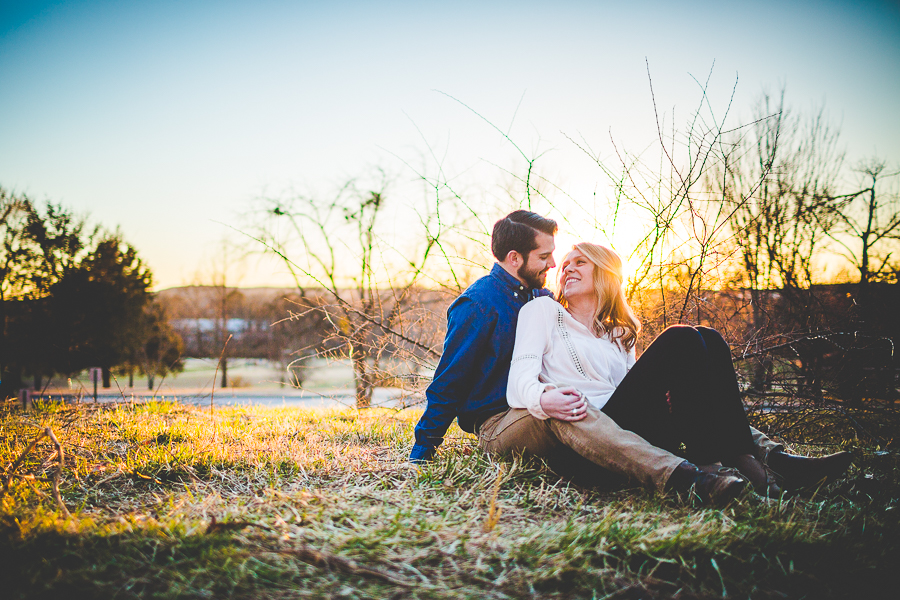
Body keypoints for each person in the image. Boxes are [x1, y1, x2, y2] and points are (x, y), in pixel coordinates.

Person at [412, 210, 752, 503]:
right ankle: (680, 477)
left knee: (693, 346)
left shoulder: (542, 297)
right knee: (563, 404)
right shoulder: (479, 303)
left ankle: (754, 460)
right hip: (499, 423)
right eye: (545, 256)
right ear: (515, 258)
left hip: (553, 412)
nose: (554, 264)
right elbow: (449, 382)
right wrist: (421, 453)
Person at [502, 242, 852, 496]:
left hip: (634, 426)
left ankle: (767, 460)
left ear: (605, 274)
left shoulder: (620, 332)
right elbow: (518, 384)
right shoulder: (543, 312)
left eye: (580, 262)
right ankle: (721, 468)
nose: (567, 269)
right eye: (564, 264)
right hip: (593, 430)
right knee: (682, 338)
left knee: (709, 339)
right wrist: (544, 401)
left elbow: (640, 393)